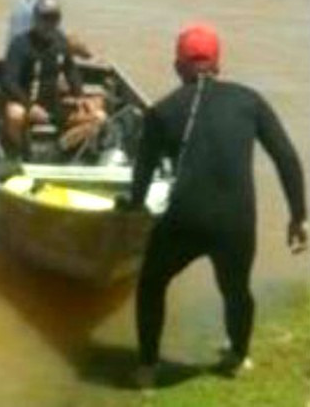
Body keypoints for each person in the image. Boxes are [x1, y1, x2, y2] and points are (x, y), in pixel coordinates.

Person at [123, 24, 308, 389]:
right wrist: (298, 216)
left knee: (151, 283)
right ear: (219, 65)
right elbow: (286, 158)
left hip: (185, 219)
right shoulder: (250, 100)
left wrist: (133, 207)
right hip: (236, 221)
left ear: (178, 66)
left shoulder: (161, 112)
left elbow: (142, 174)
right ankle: (239, 357)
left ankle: (147, 368)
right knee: (236, 288)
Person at [1, 0, 91, 152]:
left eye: (54, 18)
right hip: (24, 101)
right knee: (14, 115)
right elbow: (9, 81)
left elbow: (70, 69)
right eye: (45, 18)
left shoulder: (60, 40)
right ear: (35, 18)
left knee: (98, 117)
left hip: (52, 103)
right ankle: (21, 152)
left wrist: (80, 95)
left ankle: (59, 148)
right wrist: (30, 107)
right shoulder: (20, 44)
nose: (49, 23)